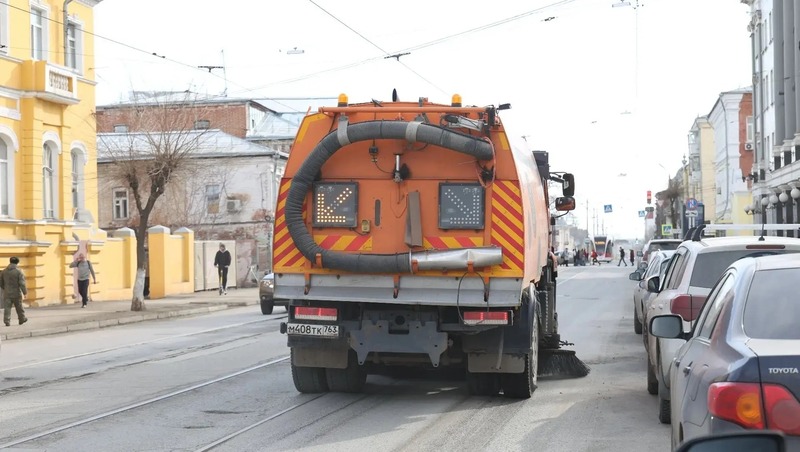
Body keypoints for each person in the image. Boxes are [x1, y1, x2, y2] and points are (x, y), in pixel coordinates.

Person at [1, 257, 28, 326]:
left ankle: (7, 321)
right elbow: (22, 283)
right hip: (16, 293)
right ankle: (22, 319)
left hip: (7, 293)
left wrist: (5, 288)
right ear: (17, 263)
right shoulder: (19, 271)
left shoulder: (4, 271)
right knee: (19, 307)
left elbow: (0, 282)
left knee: (7, 308)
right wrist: (24, 292)